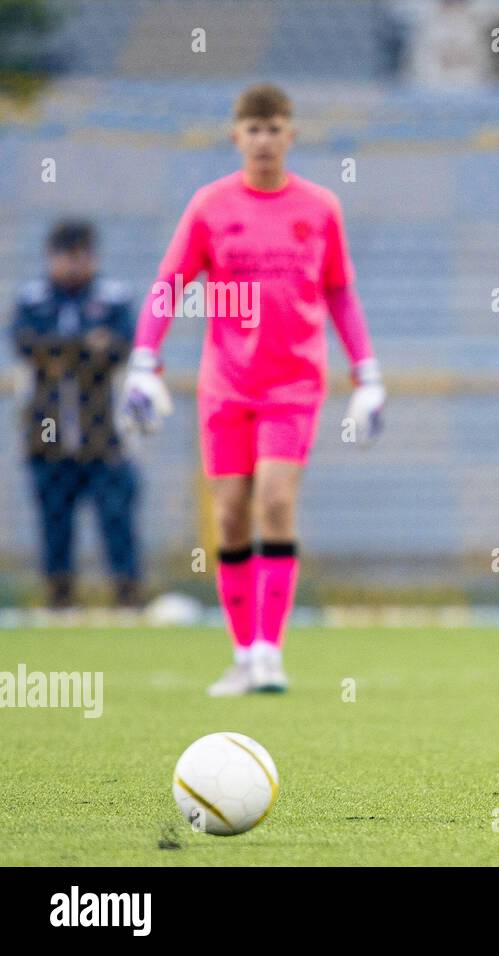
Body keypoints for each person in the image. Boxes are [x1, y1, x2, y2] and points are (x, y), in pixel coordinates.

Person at [120, 83, 385, 697]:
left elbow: (340, 291)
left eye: (275, 128)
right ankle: (242, 652)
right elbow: (170, 284)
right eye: (253, 128)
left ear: (291, 136)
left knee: (274, 501)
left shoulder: (319, 208)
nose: (264, 140)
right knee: (232, 516)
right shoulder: (211, 207)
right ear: (235, 136)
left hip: (293, 384)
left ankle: (270, 651)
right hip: (226, 388)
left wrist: (366, 373)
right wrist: (142, 362)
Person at [12, 220, 141, 609]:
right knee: (54, 519)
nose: (72, 265)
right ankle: (59, 595)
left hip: (104, 433)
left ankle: (127, 593)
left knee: (116, 516)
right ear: (51, 258)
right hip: (48, 432)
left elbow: (119, 347)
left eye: (80, 255)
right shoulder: (33, 298)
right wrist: (86, 347)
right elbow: (27, 345)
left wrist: (63, 353)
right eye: (65, 256)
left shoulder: (112, 297)